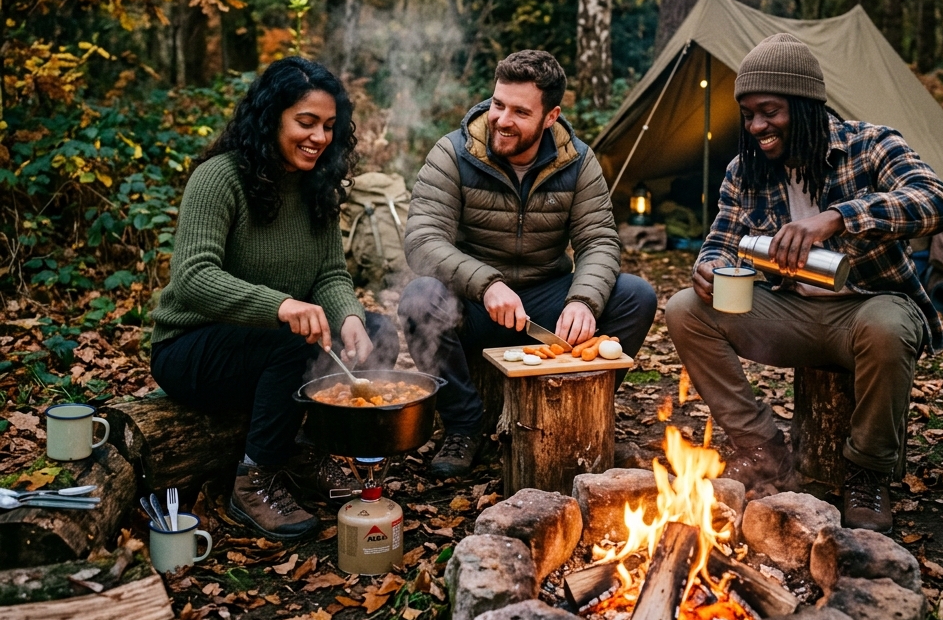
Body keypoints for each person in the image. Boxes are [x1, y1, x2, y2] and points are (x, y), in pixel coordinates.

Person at [665, 33, 943, 532]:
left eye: (770, 111)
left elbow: (936, 201)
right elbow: (721, 239)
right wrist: (708, 265)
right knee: (684, 309)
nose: (757, 126)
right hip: (788, 315)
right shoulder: (745, 170)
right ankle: (761, 447)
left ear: (804, 104)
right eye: (749, 114)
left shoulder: (871, 144)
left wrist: (839, 217)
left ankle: (867, 471)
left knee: (888, 328)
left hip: (865, 308)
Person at [150, 57, 400, 540]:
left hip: (272, 343)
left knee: (377, 332)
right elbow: (193, 278)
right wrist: (281, 306)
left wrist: (347, 315)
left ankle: (310, 449)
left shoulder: (317, 187)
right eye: (305, 123)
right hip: (192, 348)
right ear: (271, 118)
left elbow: (329, 272)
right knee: (295, 340)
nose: (319, 137)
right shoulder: (219, 179)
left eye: (329, 126)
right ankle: (255, 478)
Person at [398, 50, 658, 477]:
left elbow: (598, 241)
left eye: (520, 111)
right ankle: (465, 426)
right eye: (498, 104)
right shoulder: (453, 153)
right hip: (474, 303)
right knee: (419, 297)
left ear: (550, 116)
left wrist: (583, 302)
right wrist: (485, 283)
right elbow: (423, 241)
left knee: (636, 295)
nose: (502, 119)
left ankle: (580, 410)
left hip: (543, 298)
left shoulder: (577, 161)